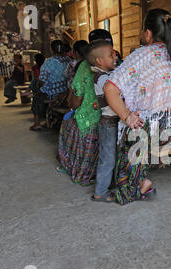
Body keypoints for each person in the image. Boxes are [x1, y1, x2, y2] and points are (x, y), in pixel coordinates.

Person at [104, 9, 171, 205]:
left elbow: (110, 88)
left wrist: (127, 116)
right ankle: (142, 177)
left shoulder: (142, 54)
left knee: (130, 131)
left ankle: (135, 186)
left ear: (148, 33)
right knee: (140, 126)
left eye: (143, 31)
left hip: (159, 132)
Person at [57, 29, 112, 186]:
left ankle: (76, 167)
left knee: (67, 125)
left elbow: (75, 101)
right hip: (116, 117)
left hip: (92, 121)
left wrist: (71, 104)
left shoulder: (84, 66)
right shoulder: (118, 63)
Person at [86, 40, 119, 202]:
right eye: (110, 55)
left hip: (112, 122)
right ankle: (100, 192)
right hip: (108, 122)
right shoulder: (102, 79)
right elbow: (115, 96)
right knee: (108, 158)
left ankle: (109, 185)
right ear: (99, 61)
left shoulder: (106, 75)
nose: (114, 56)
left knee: (112, 155)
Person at [29, 53, 46, 131]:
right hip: (47, 89)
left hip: (38, 90)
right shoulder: (46, 67)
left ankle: (37, 124)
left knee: (35, 106)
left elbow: (36, 80)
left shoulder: (35, 68)